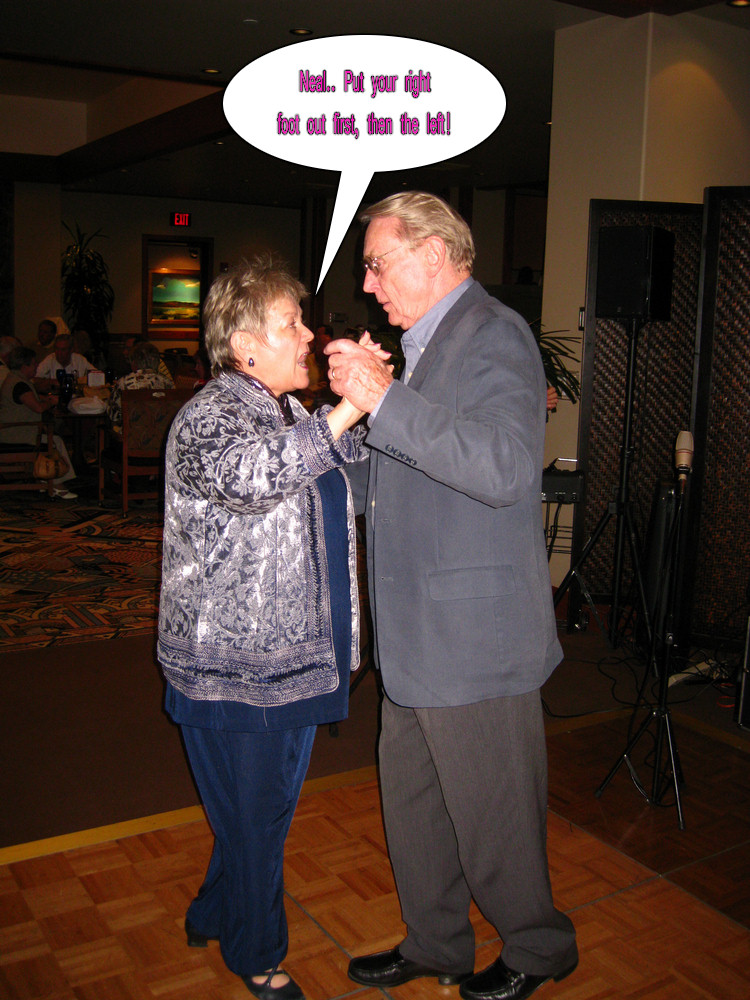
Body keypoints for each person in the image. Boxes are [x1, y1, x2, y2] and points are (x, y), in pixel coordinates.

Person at [325, 191, 578, 1000]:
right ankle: (437, 942)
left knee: (496, 817)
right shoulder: (425, 348)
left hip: (474, 641)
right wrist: (348, 433)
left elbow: (506, 468)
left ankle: (539, 948)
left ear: (435, 255)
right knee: (417, 810)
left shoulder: (493, 335)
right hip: (416, 635)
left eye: (379, 261)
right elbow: (397, 482)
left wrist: (386, 400)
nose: (369, 283)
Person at [157, 255, 381, 1000]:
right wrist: (342, 411)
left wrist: (364, 400)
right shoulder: (210, 416)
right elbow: (255, 479)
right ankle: (257, 952)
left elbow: (340, 463)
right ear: (246, 345)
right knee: (259, 815)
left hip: (291, 659)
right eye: (292, 323)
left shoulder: (283, 411)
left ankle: (214, 910)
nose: (309, 336)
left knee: (258, 810)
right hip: (235, 666)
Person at [0, 346, 77, 499]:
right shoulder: (19, 385)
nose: (36, 366)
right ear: (24, 366)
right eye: (34, 364)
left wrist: (45, 398)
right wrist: (51, 401)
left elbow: (29, 399)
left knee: (55, 438)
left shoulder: (14, 379)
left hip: (13, 432)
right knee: (55, 441)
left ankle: (50, 479)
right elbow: (38, 408)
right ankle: (57, 484)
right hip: (16, 435)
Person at [106, 340, 174, 435]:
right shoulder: (167, 382)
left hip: (131, 439)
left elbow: (113, 416)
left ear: (134, 362)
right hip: (159, 437)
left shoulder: (123, 383)